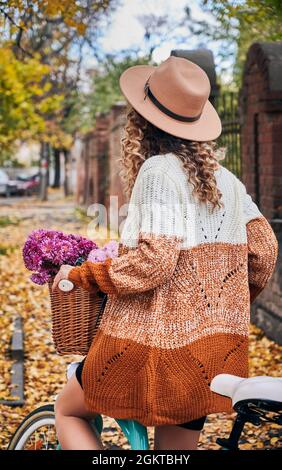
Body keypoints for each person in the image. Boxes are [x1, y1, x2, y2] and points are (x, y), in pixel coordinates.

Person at [52, 56, 278, 450]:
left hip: (142, 349)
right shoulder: (227, 180)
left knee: (67, 411)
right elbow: (265, 251)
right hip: (209, 352)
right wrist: (223, 305)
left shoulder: (158, 171)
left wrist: (82, 274)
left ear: (142, 120)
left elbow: (153, 262)